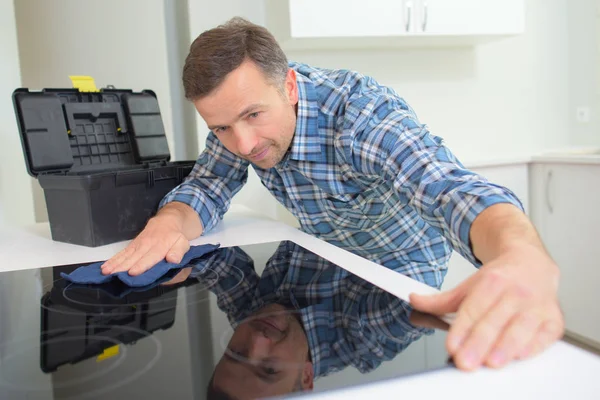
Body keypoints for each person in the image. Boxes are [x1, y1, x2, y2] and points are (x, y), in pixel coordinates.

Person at [100, 17, 564, 372]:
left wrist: (521, 254)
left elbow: (446, 188)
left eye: (254, 115)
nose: (243, 145)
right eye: (221, 127)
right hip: (320, 251)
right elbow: (208, 184)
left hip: (397, 268)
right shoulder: (238, 125)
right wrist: (171, 220)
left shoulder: (359, 116)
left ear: (289, 86)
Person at [192, 241, 436, 399]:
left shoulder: (252, 323)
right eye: (269, 369)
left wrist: (179, 265)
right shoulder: (365, 336)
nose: (257, 340)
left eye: (236, 352)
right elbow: (421, 292)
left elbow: (215, 261)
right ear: (306, 377)